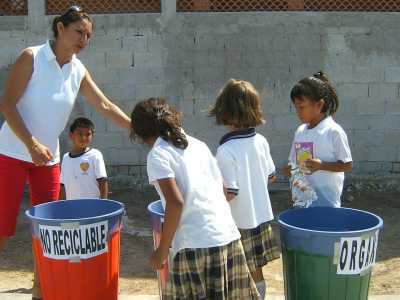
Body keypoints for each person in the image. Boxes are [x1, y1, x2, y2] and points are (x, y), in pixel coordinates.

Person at [0, 6, 130, 299]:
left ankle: (41, 290)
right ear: (60, 28)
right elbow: (7, 104)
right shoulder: (31, 57)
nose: (84, 40)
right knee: (3, 226)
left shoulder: (78, 70)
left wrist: (137, 129)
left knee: (49, 231)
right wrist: (31, 143)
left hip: (47, 160)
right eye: (78, 32)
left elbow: (106, 106)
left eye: (88, 35)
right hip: (10, 153)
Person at [130, 98, 260, 299]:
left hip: (196, 244)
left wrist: (162, 249)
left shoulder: (158, 155)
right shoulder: (197, 144)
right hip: (227, 236)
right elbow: (220, 188)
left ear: (140, 133)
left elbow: (175, 203)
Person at [209, 79, 280, 299]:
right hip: (260, 217)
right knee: (256, 270)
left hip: (237, 222)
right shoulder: (261, 141)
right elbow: (271, 177)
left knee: (236, 275)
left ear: (225, 111)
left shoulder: (226, 150)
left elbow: (230, 192)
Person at [283, 71, 353, 207]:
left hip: (327, 204)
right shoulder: (301, 132)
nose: (298, 111)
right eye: (296, 107)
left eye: (302, 107)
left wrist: (322, 166)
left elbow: (347, 165)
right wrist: (290, 169)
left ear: (319, 105)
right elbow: (294, 164)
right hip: (303, 203)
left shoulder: (333, 131)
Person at [59, 117, 108, 200]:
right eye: (80, 134)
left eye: (87, 134)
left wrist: (103, 204)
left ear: (92, 135)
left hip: (92, 206)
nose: (83, 138)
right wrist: (62, 205)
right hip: (72, 206)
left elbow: (103, 181)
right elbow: (62, 185)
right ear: (71, 135)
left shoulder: (95, 155)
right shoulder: (65, 157)